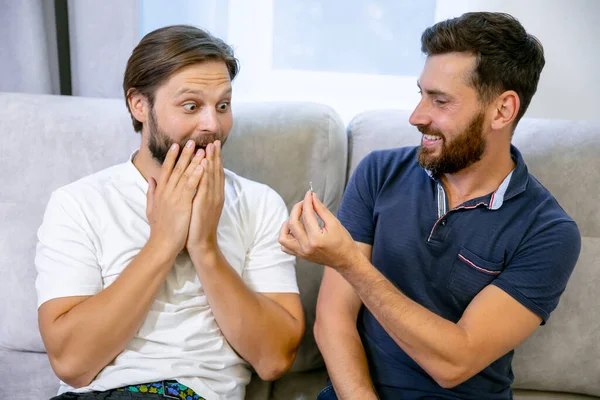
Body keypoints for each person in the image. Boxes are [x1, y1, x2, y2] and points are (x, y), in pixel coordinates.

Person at [279, 12, 580, 400]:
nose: (417, 116)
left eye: (440, 101)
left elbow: (454, 363)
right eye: (420, 94)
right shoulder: (379, 173)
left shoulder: (548, 232)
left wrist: (349, 263)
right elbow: (333, 320)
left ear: (502, 110)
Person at [35, 25, 304, 400]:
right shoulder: (79, 203)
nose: (213, 125)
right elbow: (72, 364)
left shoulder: (259, 204)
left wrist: (205, 247)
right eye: (192, 106)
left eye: (223, 105)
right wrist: (163, 242)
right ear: (139, 105)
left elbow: (274, 359)